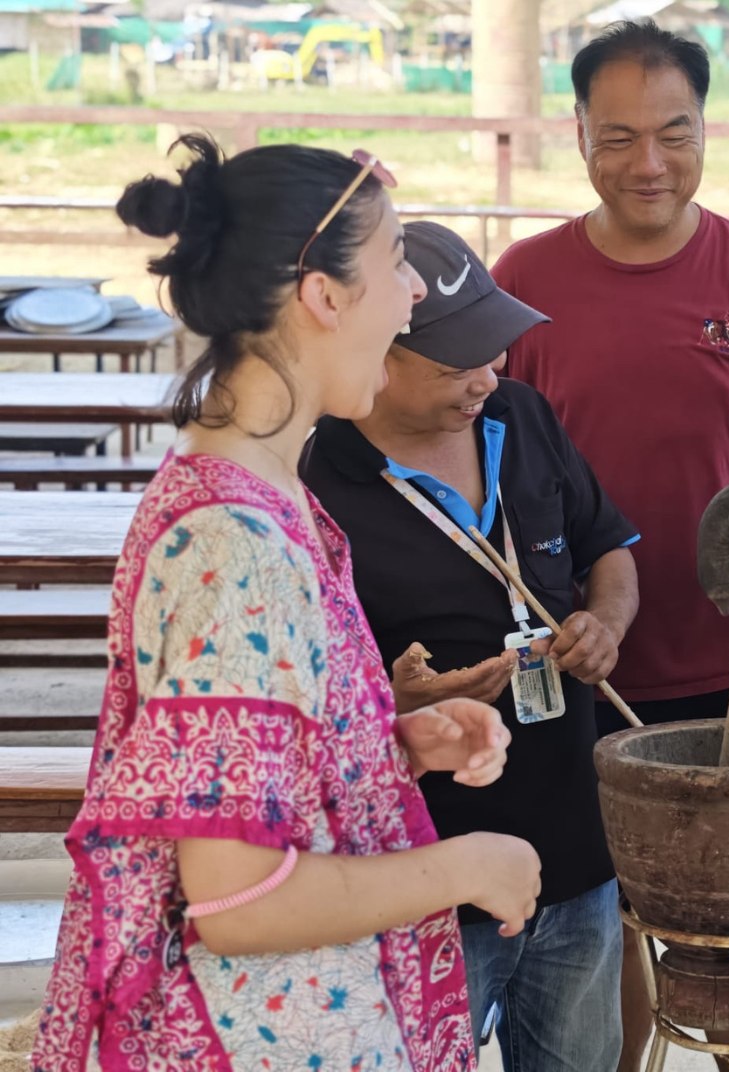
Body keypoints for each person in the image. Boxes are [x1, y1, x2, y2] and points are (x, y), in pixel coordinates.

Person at [30, 136, 543, 1072]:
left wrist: (382, 748)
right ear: (324, 295)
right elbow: (241, 900)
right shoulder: (239, 544)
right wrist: (466, 866)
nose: (415, 295)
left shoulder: (247, 491)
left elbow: (224, 782)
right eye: (395, 261)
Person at [489, 20, 729, 1070]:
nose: (648, 163)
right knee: (602, 942)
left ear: (707, 131)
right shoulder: (526, 279)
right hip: (583, 672)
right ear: (580, 135)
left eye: (673, 133)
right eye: (619, 137)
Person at [301, 220, 641, 1072]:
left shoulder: (522, 416)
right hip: (424, 874)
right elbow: (305, 712)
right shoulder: (316, 483)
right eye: (457, 365)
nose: (487, 377)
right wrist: (394, 702)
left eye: (495, 351)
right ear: (379, 352)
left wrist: (607, 623)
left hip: (573, 847)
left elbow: (611, 548)